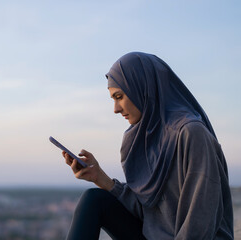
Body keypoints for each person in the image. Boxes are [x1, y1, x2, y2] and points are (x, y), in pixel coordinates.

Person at [62, 52, 234, 240]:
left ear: (143, 88)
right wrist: (99, 177)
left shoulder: (191, 133)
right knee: (93, 200)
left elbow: (200, 223)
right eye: (113, 99)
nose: (116, 109)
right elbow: (149, 212)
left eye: (119, 96)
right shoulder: (141, 140)